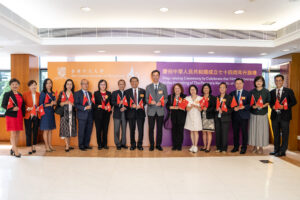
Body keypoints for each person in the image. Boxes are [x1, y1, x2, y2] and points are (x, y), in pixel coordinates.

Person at [269, 74, 297, 157]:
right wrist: (272, 106)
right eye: (276, 80)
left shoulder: (289, 91)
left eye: (280, 80)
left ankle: (282, 151)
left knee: (285, 133)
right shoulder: (272, 92)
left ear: (283, 81)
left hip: (285, 116)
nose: (278, 82)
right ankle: (276, 149)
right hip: (274, 116)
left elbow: (294, 102)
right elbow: (270, 103)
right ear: (274, 81)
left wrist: (284, 106)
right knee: (276, 134)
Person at [1, 78, 25, 158]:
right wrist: (12, 108)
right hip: (11, 116)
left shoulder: (20, 94)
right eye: (13, 84)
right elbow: (3, 105)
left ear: (18, 85)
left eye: (16, 84)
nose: (15, 86)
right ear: (10, 85)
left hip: (19, 115)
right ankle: (16, 150)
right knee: (13, 133)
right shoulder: (7, 94)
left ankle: (13, 148)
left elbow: (22, 106)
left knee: (18, 133)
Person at [146, 70, 168, 151]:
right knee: (151, 129)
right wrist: (149, 102)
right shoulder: (148, 87)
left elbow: (166, 98)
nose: (155, 77)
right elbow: (146, 99)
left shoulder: (163, 86)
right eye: (154, 75)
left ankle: (158, 145)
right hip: (151, 111)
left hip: (160, 111)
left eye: (157, 75)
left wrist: (162, 103)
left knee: (159, 129)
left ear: (159, 76)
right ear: (152, 77)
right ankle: (151, 145)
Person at [249, 76, 271, 154]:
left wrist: (262, 105)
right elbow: (250, 103)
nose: (259, 83)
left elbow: (268, 102)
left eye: (260, 81)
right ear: (255, 82)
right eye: (257, 81)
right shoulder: (252, 92)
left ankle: (261, 147)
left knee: (261, 131)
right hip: (253, 114)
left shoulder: (266, 91)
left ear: (263, 82)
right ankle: (254, 146)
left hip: (263, 114)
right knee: (254, 131)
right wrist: (253, 106)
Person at [229, 78, 250, 154]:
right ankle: (236, 147)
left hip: (244, 116)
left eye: (240, 83)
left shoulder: (247, 93)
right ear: (235, 84)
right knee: (235, 133)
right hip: (235, 116)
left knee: (244, 133)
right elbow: (229, 105)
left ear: (243, 84)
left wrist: (244, 107)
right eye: (237, 83)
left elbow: (250, 105)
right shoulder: (232, 94)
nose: (238, 85)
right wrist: (233, 108)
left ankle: (244, 148)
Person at [125, 77, 146, 151]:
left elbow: (146, 101)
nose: (134, 83)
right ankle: (133, 145)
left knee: (141, 130)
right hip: (131, 113)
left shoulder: (143, 91)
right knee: (132, 130)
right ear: (130, 83)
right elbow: (125, 102)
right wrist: (130, 105)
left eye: (135, 81)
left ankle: (140, 145)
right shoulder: (127, 91)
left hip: (140, 113)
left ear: (138, 82)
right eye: (132, 81)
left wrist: (141, 105)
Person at [57, 79, 77, 152]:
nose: (69, 86)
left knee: (70, 130)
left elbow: (76, 105)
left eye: (70, 84)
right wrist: (66, 102)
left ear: (72, 85)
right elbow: (59, 103)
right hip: (64, 114)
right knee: (65, 129)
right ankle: (67, 146)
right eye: (68, 84)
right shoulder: (62, 93)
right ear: (65, 85)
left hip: (72, 114)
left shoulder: (74, 94)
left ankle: (68, 144)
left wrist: (73, 104)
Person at [166, 83, 186, 151]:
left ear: (181, 89)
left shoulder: (184, 97)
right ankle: (174, 145)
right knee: (174, 131)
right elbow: (168, 106)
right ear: (173, 90)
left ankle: (179, 145)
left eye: (178, 88)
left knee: (180, 131)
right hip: (173, 117)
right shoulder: (170, 97)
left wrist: (180, 108)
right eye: (175, 88)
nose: (177, 90)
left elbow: (185, 107)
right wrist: (175, 107)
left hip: (181, 117)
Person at [74, 79, 93, 151]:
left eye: (87, 83)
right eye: (84, 84)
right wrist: (85, 107)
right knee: (81, 131)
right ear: (81, 85)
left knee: (89, 131)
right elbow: (76, 105)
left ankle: (86, 144)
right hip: (82, 115)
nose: (86, 85)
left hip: (90, 115)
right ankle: (81, 145)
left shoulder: (90, 93)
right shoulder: (77, 93)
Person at [215, 82, 233, 153]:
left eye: (223, 87)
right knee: (218, 133)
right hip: (217, 118)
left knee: (224, 134)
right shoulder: (217, 98)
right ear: (219, 89)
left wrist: (224, 111)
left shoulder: (229, 97)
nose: (222, 89)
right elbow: (214, 108)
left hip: (225, 118)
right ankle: (218, 147)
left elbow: (231, 109)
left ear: (226, 89)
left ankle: (224, 148)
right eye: (220, 87)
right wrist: (216, 109)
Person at [94, 79, 112, 150]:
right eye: (101, 84)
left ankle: (105, 144)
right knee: (98, 130)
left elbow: (111, 104)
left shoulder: (109, 93)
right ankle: (99, 144)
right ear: (99, 85)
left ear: (106, 85)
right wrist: (99, 106)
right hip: (98, 114)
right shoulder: (96, 93)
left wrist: (109, 107)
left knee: (105, 130)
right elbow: (93, 104)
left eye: (104, 84)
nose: (103, 86)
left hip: (106, 114)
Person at [39, 78, 56, 152]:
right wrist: (50, 104)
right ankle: (46, 146)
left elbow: (54, 103)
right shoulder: (43, 93)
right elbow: (40, 104)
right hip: (45, 113)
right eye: (47, 83)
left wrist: (55, 103)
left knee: (50, 130)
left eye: (50, 83)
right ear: (45, 85)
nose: (49, 84)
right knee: (46, 130)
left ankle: (50, 145)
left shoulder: (52, 93)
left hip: (51, 113)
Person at [23, 80, 40, 154]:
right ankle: (29, 147)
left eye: (35, 85)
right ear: (29, 86)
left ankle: (34, 146)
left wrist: (39, 108)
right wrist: (28, 108)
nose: (34, 86)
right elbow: (22, 105)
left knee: (35, 131)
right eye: (32, 85)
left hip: (36, 115)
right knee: (28, 131)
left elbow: (41, 104)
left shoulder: (38, 94)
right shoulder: (25, 94)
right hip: (28, 115)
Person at [184, 85, 203, 153]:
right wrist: (191, 106)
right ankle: (192, 145)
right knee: (191, 131)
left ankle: (195, 146)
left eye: (194, 89)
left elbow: (201, 109)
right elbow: (186, 109)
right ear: (189, 91)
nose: (192, 91)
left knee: (196, 131)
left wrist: (196, 106)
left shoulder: (200, 98)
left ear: (196, 90)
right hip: (189, 117)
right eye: (191, 90)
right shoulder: (187, 98)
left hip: (197, 117)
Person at [111, 79, 128, 150]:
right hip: (117, 114)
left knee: (124, 129)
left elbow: (130, 102)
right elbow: (112, 102)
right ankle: (118, 143)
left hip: (125, 113)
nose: (121, 85)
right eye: (120, 84)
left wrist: (125, 108)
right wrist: (119, 103)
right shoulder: (114, 93)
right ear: (118, 85)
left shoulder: (127, 93)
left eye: (123, 84)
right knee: (116, 130)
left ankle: (123, 143)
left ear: (125, 85)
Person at [200, 83, 216, 153]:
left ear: (209, 89)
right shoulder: (201, 97)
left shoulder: (212, 98)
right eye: (204, 88)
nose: (205, 89)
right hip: (202, 117)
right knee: (203, 132)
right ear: (203, 89)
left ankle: (208, 147)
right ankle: (204, 146)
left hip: (209, 117)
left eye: (207, 88)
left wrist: (207, 109)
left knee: (209, 132)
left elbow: (214, 107)